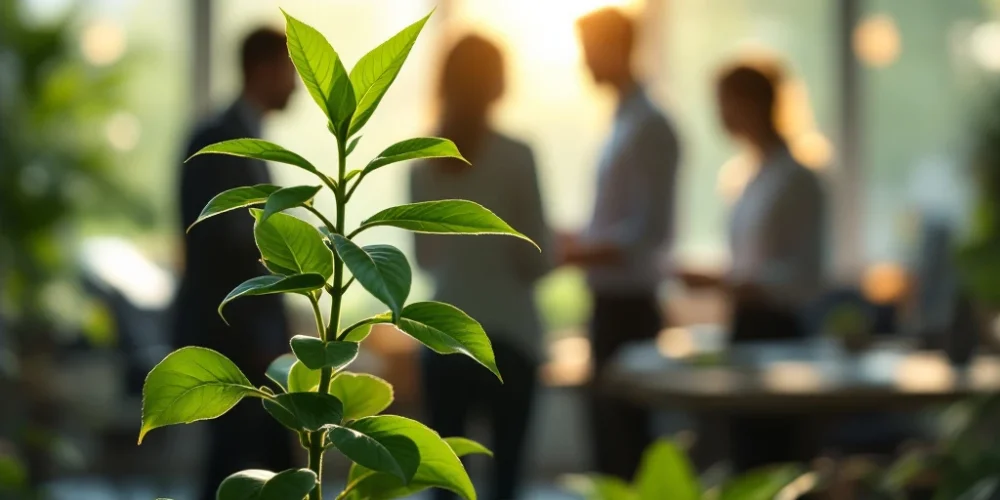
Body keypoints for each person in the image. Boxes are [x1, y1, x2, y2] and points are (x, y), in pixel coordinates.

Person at [410, 34, 551, 500]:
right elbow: (535, 262)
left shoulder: (421, 159)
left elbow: (423, 257)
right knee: (506, 480)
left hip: (444, 334)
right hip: (511, 337)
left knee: (447, 482)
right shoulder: (517, 156)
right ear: (497, 84)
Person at [173, 28, 297, 500]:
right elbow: (221, 252)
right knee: (237, 472)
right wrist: (262, 339)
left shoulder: (244, 139)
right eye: (290, 70)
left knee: (255, 472)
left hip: (251, 344)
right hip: (233, 343)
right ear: (264, 69)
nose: (297, 85)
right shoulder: (219, 141)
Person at [684, 64, 826, 470]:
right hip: (746, 327)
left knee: (771, 456)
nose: (721, 115)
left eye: (727, 103)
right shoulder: (747, 175)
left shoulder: (798, 177)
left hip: (780, 332)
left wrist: (729, 282)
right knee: (745, 453)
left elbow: (807, 274)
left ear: (755, 104)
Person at [562, 8, 681, 479]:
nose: (584, 64)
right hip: (611, 302)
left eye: (589, 52)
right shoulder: (623, 121)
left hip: (629, 308)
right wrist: (579, 240)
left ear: (616, 49)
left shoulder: (650, 125)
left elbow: (649, 232)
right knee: (609, 444)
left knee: (624, 447)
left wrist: (577, 251)